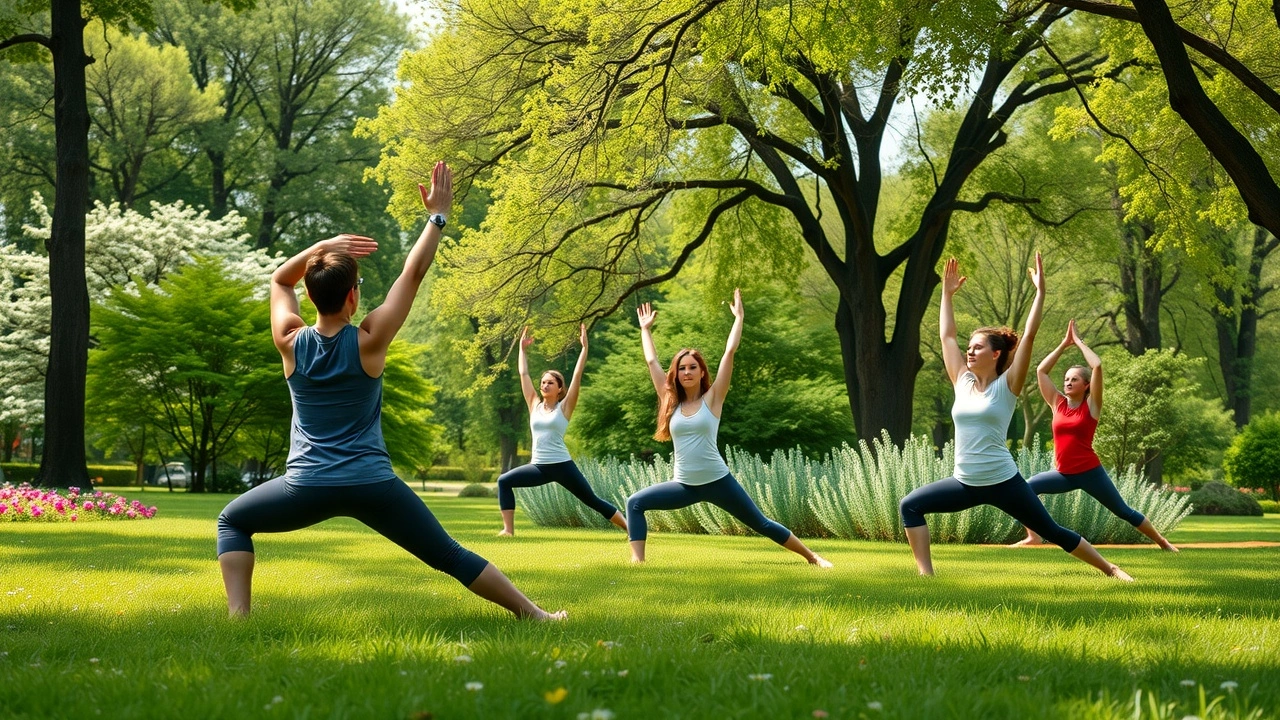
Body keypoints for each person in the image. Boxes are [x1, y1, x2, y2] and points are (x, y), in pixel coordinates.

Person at [216, 162, 565, 620]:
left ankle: (238, 617)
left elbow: (280, 280)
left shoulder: (290, 341)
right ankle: (534, 615)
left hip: (307, 485)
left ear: (314, 295)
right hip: (372, 484)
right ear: (353, 299)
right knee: (448, 554)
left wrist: (322, 248)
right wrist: (436, 216)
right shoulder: (369, 340)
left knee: (233, 521)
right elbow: (412, 274)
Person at [898, 256, 1133, 581]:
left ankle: (1111, 569)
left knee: (1052, 530)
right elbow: (947, 338)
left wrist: (1039, 294)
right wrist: (947, 295)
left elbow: (1031, 336)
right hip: (965, 482)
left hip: (1004, 483)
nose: (969, 352)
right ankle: (927, 577)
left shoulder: (1007, 386)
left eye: (977, 348)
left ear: (995, 354)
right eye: (970, 348)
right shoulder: (962, 382)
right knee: (910, 506)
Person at [625, 290, 832, 567]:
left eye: (692, 367)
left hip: (718, 482)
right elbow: (652, 362)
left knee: (761, 524)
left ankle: (813, 557)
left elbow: (729, 352)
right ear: (676, 374)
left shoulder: (713, 399)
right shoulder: (669, 402)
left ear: (701, 372)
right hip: (684, 484)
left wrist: (739, 318)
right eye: (682, 368)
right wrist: (645, 330)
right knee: (635, 503)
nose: (686, 372)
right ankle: (638, 563)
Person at [1011, 319, 1178, 551]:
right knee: (1026, 488)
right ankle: (1034, 536)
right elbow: (1041, 370)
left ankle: (1163, 542)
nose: (1068, 382)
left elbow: (1097, 365)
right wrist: (1062, 344)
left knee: (1123, 511)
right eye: (1066, 379)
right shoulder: (1057, 403)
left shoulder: (1092, 406)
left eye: (1074, 379)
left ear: (1087, 385)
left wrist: (1078, 342)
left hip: (1090, 473)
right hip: (1063, 474)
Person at [495, 323, 628, 536]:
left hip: (562, 465)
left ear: (559, 388)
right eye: (543, 382)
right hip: (538, 466)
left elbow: (577, 376)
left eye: (550, 383)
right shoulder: (534, 404)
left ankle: (630, 527)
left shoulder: (564, 407)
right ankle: (508, 530)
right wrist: (522, 350)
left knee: (591, 500)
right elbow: (524, 374)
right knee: (504, 481)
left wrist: (584, 349)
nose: (545, 385)